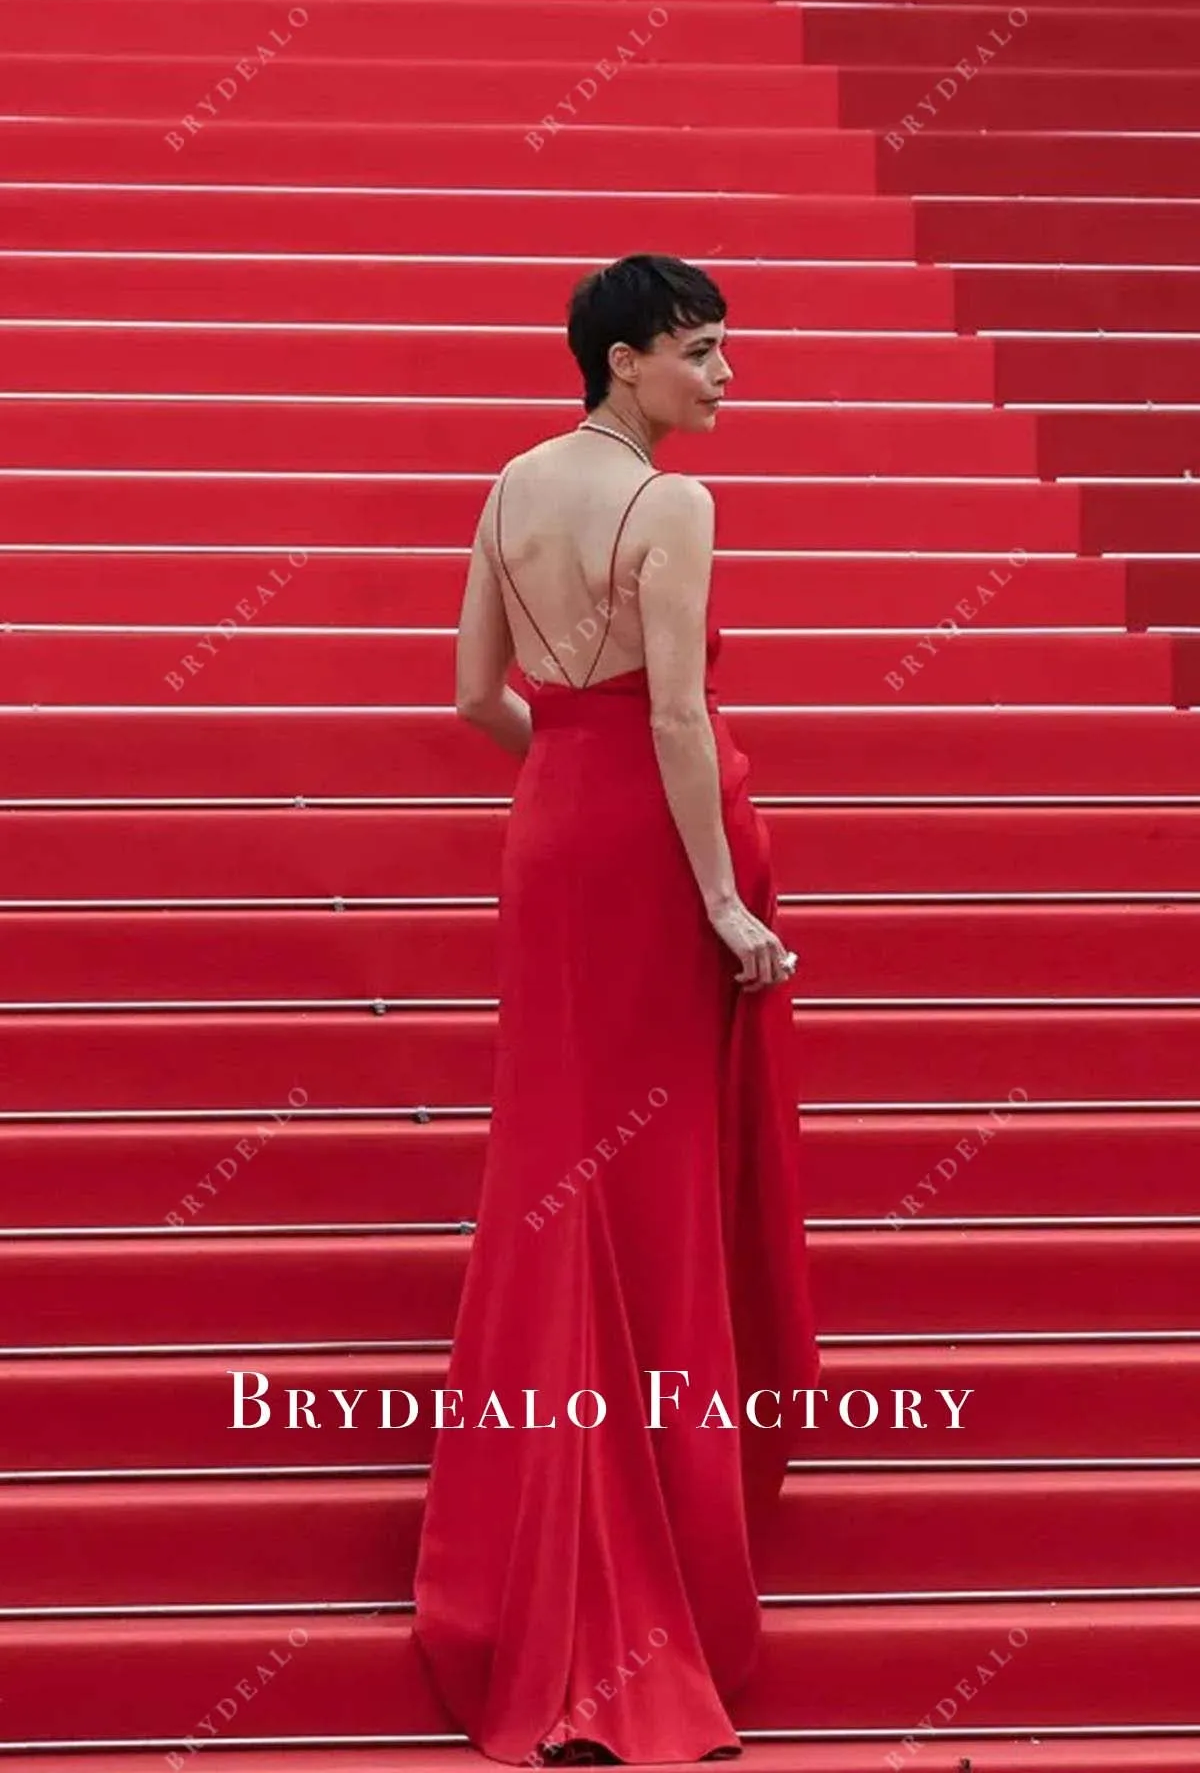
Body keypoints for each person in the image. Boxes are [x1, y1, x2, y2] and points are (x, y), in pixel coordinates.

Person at [411, 253, 822, 1767]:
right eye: (704, 353)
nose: (726, 378)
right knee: (650, 1188)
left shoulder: (511, 485)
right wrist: (721, 903)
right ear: (627, 358)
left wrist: (559, 764)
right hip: (655, 856)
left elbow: (470, 698)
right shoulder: (675, 504)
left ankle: (534, 1564)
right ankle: (649, 1586)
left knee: (556, 1174)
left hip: (555, 834)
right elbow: (673, 715)